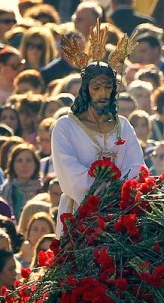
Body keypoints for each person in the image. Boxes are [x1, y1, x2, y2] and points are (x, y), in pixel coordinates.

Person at [50, 26, 144, 234]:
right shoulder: (66, 127)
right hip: (78, 214)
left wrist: (120, 194)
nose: (103, 94)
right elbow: (69, 175)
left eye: (108, 87)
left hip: (121, 214)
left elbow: (136, 166)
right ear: (85, 90)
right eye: (96, 88)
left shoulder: (123, 126)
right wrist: (103, 191)